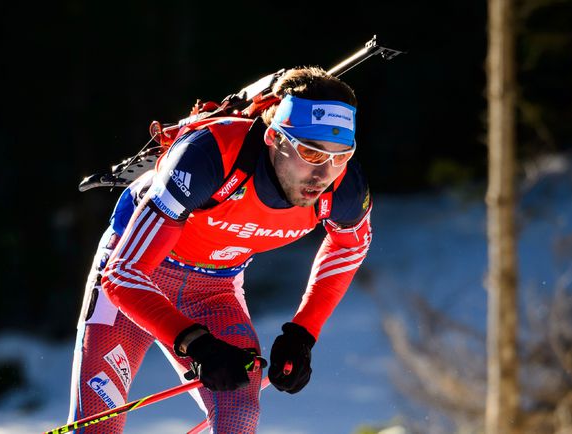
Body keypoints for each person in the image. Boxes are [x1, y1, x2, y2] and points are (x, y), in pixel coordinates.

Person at [67, 66, 373, 433]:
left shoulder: (345, 187)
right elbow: (122, 274)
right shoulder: (210, 156)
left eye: (340, 155)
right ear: (275, 138)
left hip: (213, 290)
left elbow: (349, 249)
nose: (323, 174)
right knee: (97, 427)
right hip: (137, 280)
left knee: (240, 414)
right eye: (310, 152)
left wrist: (301, 335)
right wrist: (195, 343)